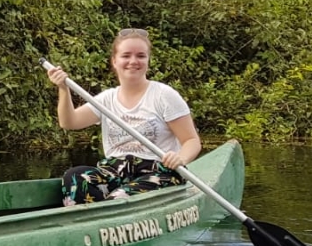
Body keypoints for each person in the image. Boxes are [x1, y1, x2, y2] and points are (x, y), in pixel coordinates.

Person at [44, 27, 201, 206]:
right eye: (126, 56)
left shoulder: (164, 95)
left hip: (158, 171)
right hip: (115, 170)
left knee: (119, 197)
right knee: (74, 177)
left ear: (148, 60)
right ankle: (84, 223)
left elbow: (191, 141)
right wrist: (63, 89)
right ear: (114, 61)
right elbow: (69, 122)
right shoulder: (106, 99)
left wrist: (180, 158)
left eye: (141, 56)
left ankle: (105, 212)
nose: (133, 61)